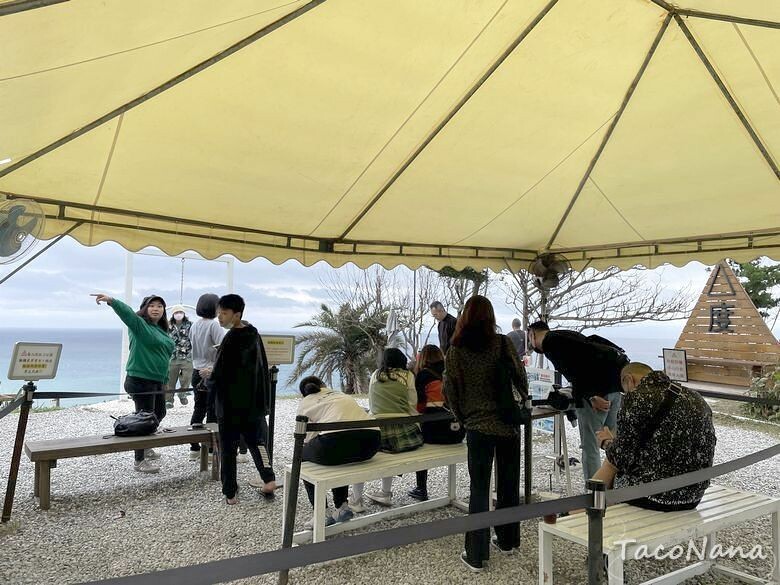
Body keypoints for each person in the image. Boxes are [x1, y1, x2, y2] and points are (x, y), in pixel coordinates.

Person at [444, 295, 528, 572]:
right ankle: (507, 540)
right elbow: (520, 377)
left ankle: (476, 554)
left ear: (465, 316)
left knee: (479, 490)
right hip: (507, 425)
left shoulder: (456, 350)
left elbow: (451, 391)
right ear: (491, 317)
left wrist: (463, 418)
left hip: (478, 427)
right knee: (508, 484)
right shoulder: (502, 343)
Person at [594, 363, 716, 511]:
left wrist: (606, 442)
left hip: (655, 497)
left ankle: (578, 513)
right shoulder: (695, 396)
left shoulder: (636, 399)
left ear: (628, 380)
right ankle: (575, 511)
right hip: (694, 495)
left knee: (611, 463)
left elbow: (622, 458)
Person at [527, 321, 627, 482]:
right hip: (615, 388)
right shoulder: (567, 335)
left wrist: (591, 396)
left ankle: (594, 495)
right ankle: (616, 487)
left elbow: (574, 371)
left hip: (597, 396)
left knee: (591, 447)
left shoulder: (550, 343)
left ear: (532, 334)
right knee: (612, 442)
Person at [91, 293, 173, 474]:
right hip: (140, 380)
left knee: (160, 412)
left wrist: (165, 381)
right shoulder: (139, 325)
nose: (156, 308)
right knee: (144, 419)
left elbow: (165, 358)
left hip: (157, 381)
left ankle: (145, 446)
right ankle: (139, 460)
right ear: (145, 308)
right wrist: (112, 301)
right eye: (152, 305)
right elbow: (127, 314)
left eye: (160, 306)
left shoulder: (160, 329)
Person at [207, 294, 275, 504]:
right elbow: (260, 368)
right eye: (219, 312)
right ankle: (269, 480)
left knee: (228, 448)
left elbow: (218, 375)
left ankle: (230, 492)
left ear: (236, 315)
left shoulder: (230, 340)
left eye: (224, 313)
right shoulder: (253, 334)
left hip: (229, 406)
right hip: (252, 405)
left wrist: (207, 378)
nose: (219, 316)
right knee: (258, 444)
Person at [296, 376, 381, 528]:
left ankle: (320, 513)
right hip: (371, 443)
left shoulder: (306, 402)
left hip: (336, 444)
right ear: (323, 385)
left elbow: (307, 438)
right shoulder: (340, 394)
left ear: (304, 393)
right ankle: (342, 506)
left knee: (302, 455)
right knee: (339, 456)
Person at [362, 348, 423, 507]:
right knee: (391, 453)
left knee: (365, 456)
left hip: (376, 429)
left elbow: (372, 403)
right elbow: (411, 403)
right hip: (402, 433)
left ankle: (355, 499)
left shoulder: (375, 375)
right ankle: (385, 492)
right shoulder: (408, 376)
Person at [408, 344, 465, 501]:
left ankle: (421, 488)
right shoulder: (452, 372)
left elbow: (419, 406)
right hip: (457, 432)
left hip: (435, 433)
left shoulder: (423, 375)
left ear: (423, 358)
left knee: (418, 439)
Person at [187, 293, 225, 461]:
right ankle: (210, 450)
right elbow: (223, 348)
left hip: (196, 371)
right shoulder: (214, 325)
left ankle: (194, 448)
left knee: (199, 408)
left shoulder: (194, 325)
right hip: (210, 371)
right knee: (212, 411)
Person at [166, 304, 193, 409]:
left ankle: (182, 393)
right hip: (172, 357)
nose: (178, 314)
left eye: (180, 312)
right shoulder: (167, 325)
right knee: (170, 379)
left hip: (186, 356)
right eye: (176, 312)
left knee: (187, 376)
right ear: (173, 314)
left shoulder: (190, 325)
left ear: (184, 313)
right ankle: (169, 400)